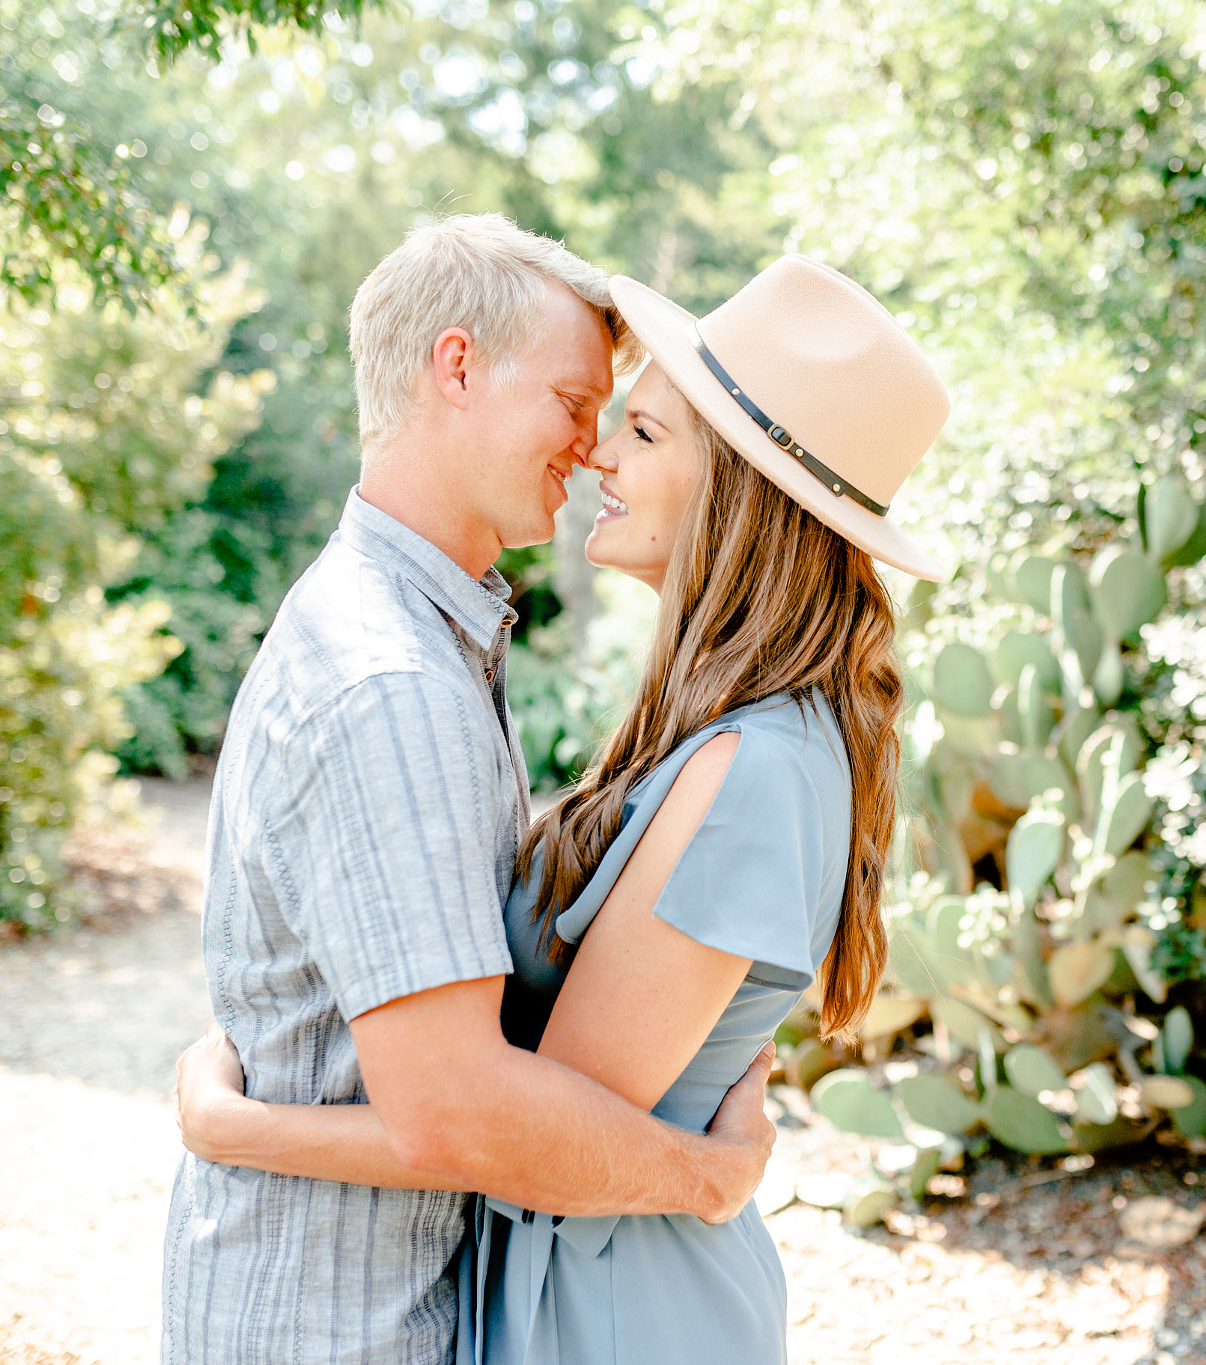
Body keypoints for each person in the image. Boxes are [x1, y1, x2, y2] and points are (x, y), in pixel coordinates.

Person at [175, 252, 950, 1363]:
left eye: (640, 431)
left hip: (621, 1311)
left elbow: (515, 1127)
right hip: (585, 1288)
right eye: (595, 415)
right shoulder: (713, 733)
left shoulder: (756, 766)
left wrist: (231, 1124)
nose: (598, 454)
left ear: (740, 489)